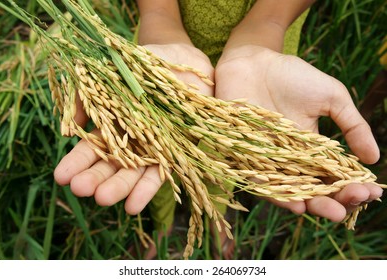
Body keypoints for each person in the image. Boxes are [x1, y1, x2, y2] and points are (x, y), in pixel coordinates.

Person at [54, 0, 383, 259]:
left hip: (264, 58)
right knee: (159, 154)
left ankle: (215, 222)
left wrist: (264, 29)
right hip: (166, 58)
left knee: (232, 155)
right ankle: (163, 227)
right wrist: (158, 19)